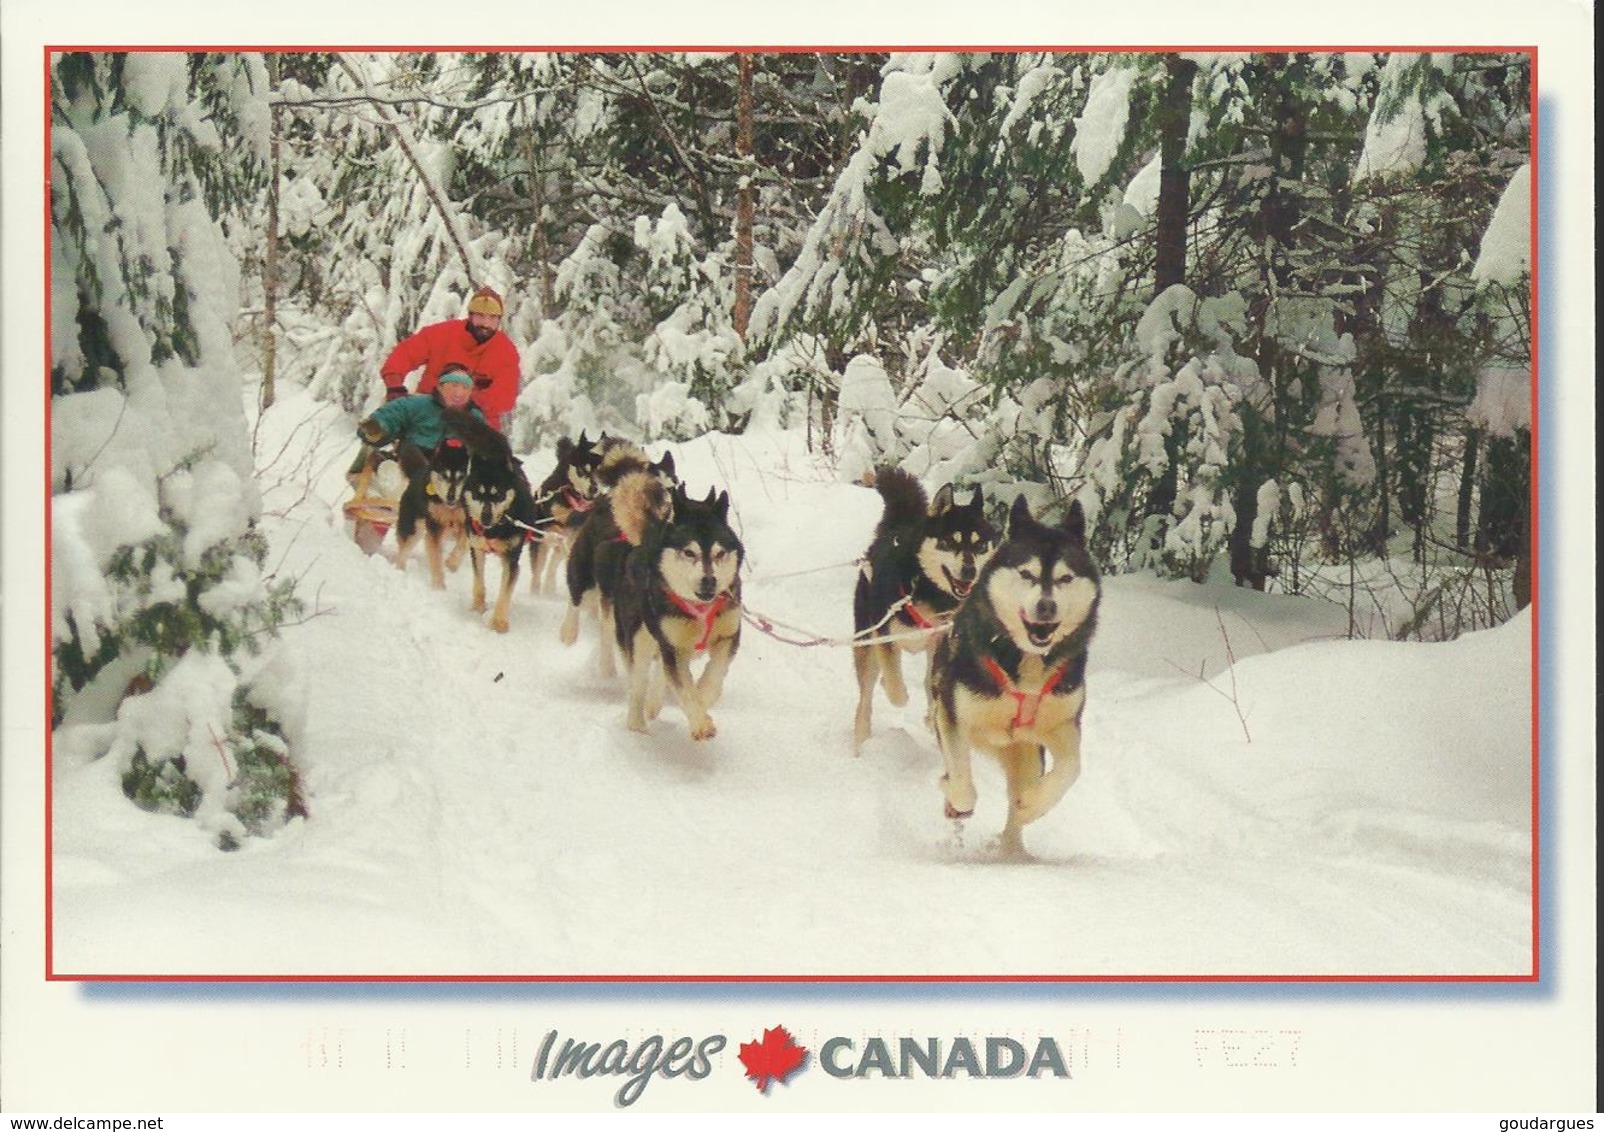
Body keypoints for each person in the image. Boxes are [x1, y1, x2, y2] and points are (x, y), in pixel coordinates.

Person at [380, 285, 521, 430]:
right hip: (428, 413)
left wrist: (466, 402)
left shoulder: (505, 351)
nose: (486, 324)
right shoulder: (442, 334)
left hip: (475, 423)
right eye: (480, 316)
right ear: (470, 316)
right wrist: (394, 384)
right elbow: (405, 354)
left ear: (499, 320)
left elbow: (505, 395)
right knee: (382, 427)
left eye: (492, 318)